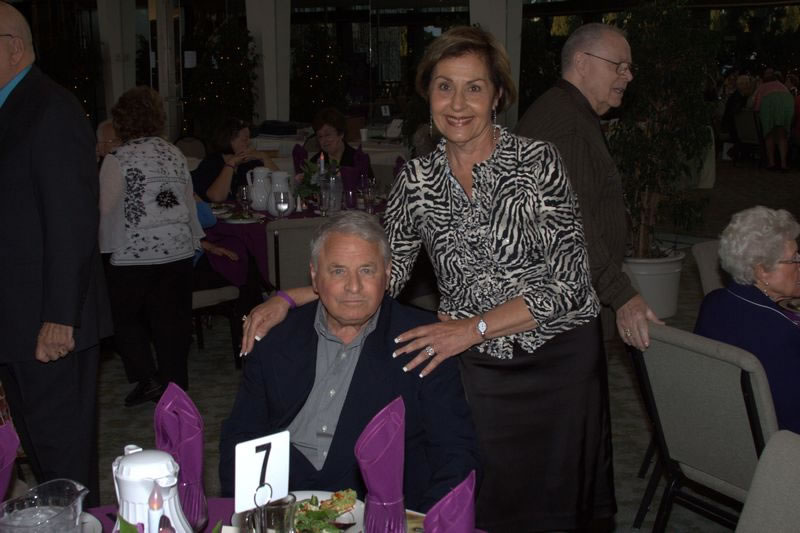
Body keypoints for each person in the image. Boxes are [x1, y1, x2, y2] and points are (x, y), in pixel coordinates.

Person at [242, 26, 613, 531]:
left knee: (558, 506)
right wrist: (290, 297)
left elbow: (570, 284)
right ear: (428, 95)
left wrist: (471, 328)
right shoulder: (417, 180)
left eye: (474, 87)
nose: (458, 103)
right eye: (444, 86)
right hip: (480, 367)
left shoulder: (538, 161)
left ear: (497, 96)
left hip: (558, 359)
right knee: (487, 500)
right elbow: (382, 275)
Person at [219, 211, 480, 511]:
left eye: (367, 270)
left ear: (387, 273)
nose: (353, 287)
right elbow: (241, 437)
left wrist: (427, 523)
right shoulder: (276, 337)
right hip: (282, 503)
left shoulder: (425, 341)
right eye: (338, 271)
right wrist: (252, 515)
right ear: (315, 276)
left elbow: (456, 454)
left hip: (379, 511)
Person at [0, 1, 112, 506]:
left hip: (48, 325)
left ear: (14, 48)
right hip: (18, 322)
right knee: (44, 462)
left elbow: (71, 222)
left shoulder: (50, 109)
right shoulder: (14, 109)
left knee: (63, 463)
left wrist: (60, 318)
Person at [515, 23, 661, 352]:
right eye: (618, 66)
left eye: (629, 67)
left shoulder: (565, 110)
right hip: (560, 310)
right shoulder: (567, 126)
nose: (628, 76)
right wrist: (620, 294)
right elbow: (572, 228)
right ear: (581, 62)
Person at [99, 86, 204, 406]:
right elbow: (186, 201)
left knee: (123, 319)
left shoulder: (118, 158)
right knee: (173, 324)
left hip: (135, 255)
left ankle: (147, 378)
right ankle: (175, 388)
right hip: (177, 251)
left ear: (122, 121)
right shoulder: (173, 153)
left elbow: (105, 207)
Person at [695, 206, 800, 434]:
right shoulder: (782, 332)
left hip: (720, 427)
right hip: (778, 443)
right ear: (762, 271)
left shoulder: (713, 302)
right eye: (794, 259)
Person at [191, 117, 278, 202]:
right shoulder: (211, 163)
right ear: (229, 140)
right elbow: (217, 198)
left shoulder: (249, 163)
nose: (249, 142)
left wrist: (264, 157)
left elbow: (280, 185)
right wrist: (231, 163)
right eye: (245, 139)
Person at [752, 67, 794, 171]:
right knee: (782, 136)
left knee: (769, 135)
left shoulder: (762, 87)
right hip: (785, 109)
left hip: (768, 108)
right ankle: (783, 164)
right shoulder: (783, 87)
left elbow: (754, 104)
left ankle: (771, 163)